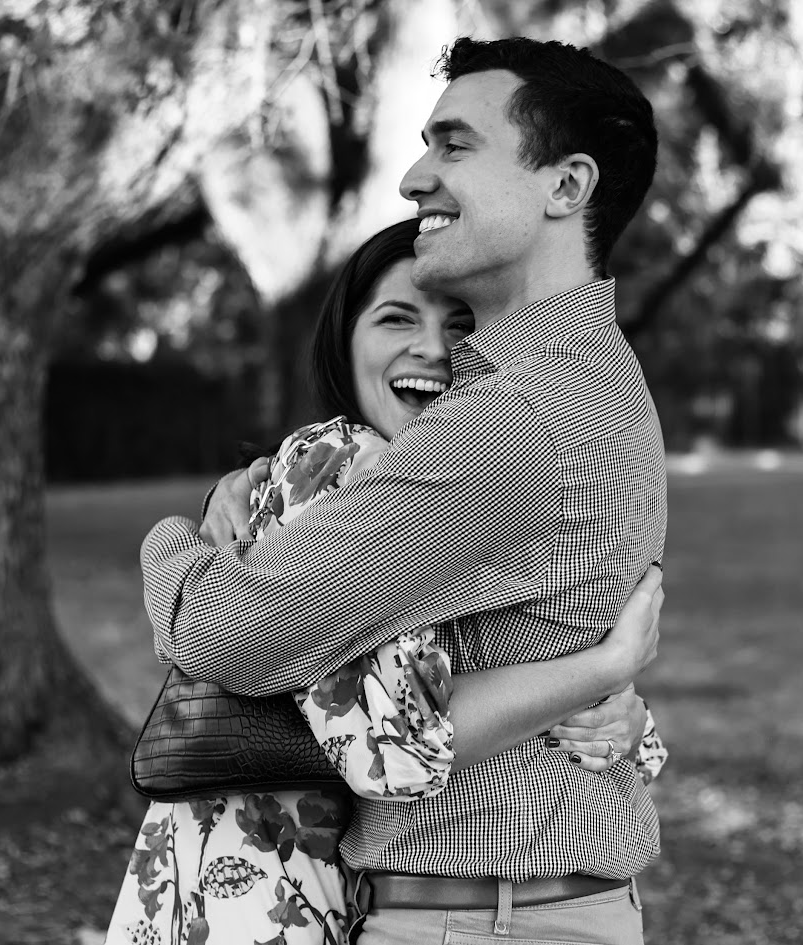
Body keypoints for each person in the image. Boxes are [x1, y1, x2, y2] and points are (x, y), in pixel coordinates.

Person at [142, 36, 666, 945]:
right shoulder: (590, 381)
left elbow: (224, 633)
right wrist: (603, 680)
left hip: (483, 923)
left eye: (456, 145)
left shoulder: (514, 419)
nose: (416, 176)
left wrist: (169, 541)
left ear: (567, 186)